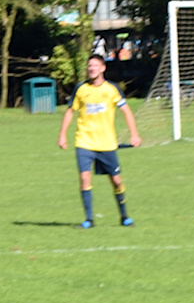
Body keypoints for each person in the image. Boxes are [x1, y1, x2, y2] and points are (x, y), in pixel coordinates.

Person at [60, 55, 141, 227]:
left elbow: (126, 111)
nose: (92, 68)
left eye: (95, 65)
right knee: (84, 178)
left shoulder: (112, 89)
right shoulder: (81, 89)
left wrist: (134, 134)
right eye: (90, 66)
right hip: (84, 141)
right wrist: (62, 134)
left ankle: (124, 216)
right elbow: (69, 111)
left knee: (116, 181)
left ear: (103, 68)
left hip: (106, 143)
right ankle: (89, 219)